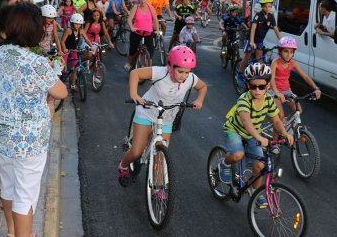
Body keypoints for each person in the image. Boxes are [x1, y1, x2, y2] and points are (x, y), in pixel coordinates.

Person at [0, 3, 67, 237]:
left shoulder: (2, 52)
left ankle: (12, 233)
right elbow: (61, 92)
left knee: (9, 185)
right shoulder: (37, 63)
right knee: (25, 194)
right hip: (28, 140)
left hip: (2, 133)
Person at [118, 46, 207, 187]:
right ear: (170, 66)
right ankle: (123, 166)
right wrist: (134, 94)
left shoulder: (190, 79)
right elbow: (135, 74)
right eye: (180, 71)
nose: (184, 76)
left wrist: (199, 100)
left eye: (187, 72)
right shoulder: (160, 72)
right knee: (136, 151)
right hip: (147, 112)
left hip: (167, 118)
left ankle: (159, 188)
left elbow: (202, 87)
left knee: (161, 155)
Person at [217, 62, 293, 205]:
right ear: (248, 86)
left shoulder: (269, 99)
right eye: (253, 86)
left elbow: (276, 121)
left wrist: (285, 133)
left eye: (262, 87)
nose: (257, 90)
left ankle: (256, 192)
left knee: (259, 167)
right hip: (234, 130)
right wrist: (259, 137)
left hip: (253, 134)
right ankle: (224, 164)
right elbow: (246, 122)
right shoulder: (244, 100)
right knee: (238, 154)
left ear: (268, 86)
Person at [270, 36, 321, 118]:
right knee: (280, 115)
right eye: (286, 51)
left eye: (291, 52)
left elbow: (305, 76)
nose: (288, 54)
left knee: (298, 111)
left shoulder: (293, 63)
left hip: (286, 89)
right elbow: (271, 79)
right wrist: (277, 93)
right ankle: (279, 128)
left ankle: (285, 126)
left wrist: (316, 88)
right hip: (273, 90)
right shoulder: (275, 62)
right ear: (280, 51)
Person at [238, 0, 282, 84]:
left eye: (269, 6)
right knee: (247, 56)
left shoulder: (271, 16)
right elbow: (253, 28)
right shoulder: (258, 15)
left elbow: (276, 29)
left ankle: (259, 79)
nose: (267, 8)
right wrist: (251, 41)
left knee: (260, 60)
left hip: (260, 40)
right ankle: (240, 73)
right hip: (251, 38)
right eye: (265, 6)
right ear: (262, 7)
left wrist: (281, 41)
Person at [125, 0, 159, 71]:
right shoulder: (136, 7)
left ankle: (146, 67)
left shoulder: (151, 8)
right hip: (137, 31)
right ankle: (129, 63)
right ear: (139, 0)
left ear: (147, 0)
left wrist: (157, 30)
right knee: (132, 49)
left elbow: (155, 20)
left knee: (150, 51)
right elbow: (129, 19)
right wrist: (132, 27)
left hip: (148, 32)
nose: (142, 1)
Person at [61, 13, 92, 91]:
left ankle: (73, 84)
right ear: (72, 23)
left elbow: (87, 40)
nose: (77, 26)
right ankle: (60, 81)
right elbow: (62, 41)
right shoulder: (68, 30)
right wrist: (64, 49)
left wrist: (92, 47)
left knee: (75, 68)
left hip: (74, 50)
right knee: (62, 67)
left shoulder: (81, 31)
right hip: (66, 49)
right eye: (76, 24)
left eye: (79, 24)